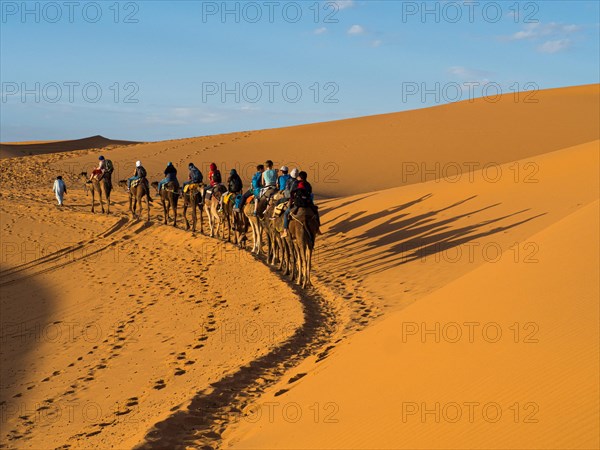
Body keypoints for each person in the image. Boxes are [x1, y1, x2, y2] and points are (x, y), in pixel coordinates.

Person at [281, 171, 320, 237]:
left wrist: (291, 201)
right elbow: (310, 193)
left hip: (297, 204)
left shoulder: (296, 183)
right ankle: (318, 228)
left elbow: (291, 193)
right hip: (307, 203)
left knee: (286, 213)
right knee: (315, 212)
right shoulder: (308, 184)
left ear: (300, 177)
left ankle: (285, 230)